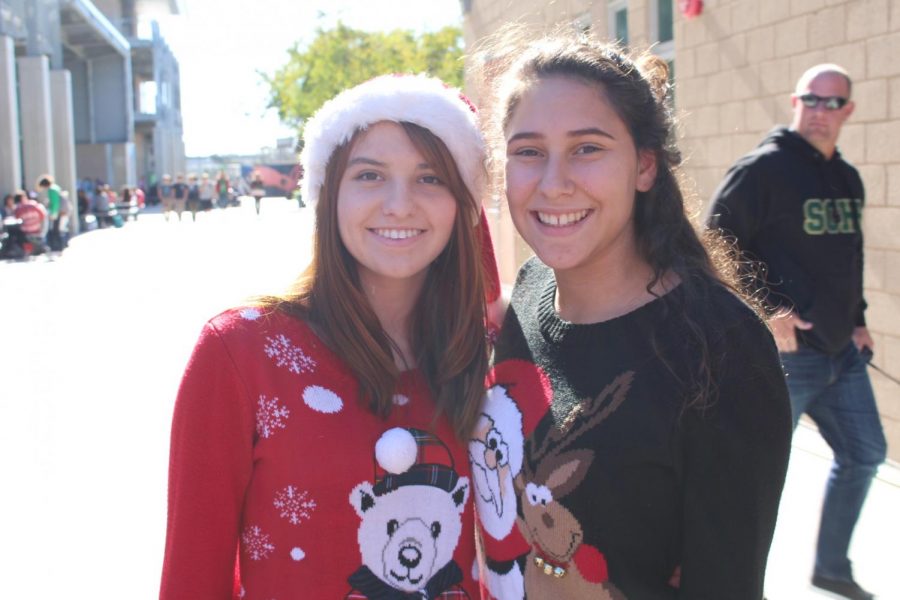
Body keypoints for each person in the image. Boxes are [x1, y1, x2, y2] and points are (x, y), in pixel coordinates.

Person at [469, 30, 792, 599]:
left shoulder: (722, 348)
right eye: (528, 151)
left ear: (644, 166)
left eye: (587, 148)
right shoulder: (526, 292)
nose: (553, 182)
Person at [160, 74, 502, 599]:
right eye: (369, 175)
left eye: (430, 178)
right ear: (327, 195)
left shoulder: (491, 351)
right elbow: (191, 579)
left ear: (463, 204)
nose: (399, 204)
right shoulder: (240, 353)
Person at [708, 64, 885, 600]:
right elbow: (715, 240)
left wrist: (857, 320)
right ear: (795, 101)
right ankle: (729, 584)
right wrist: (766, 309)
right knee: (753, 480)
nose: (820, 111)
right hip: (787, 358)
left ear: (847, 111)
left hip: (840, 355)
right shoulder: (764, 169)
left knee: (865, 453)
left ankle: (831, 567)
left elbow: (847, 256)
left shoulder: (847, 177)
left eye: (833, 103)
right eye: (812, 99)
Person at [36, 175, 66, 252]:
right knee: (59, 229)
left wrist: (53, 214)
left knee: (55, 230)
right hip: (61, 211)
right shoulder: (56, 187)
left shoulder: (51, 190)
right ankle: (61, 245)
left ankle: (58, 246)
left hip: (57, 212)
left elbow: (55, 203)